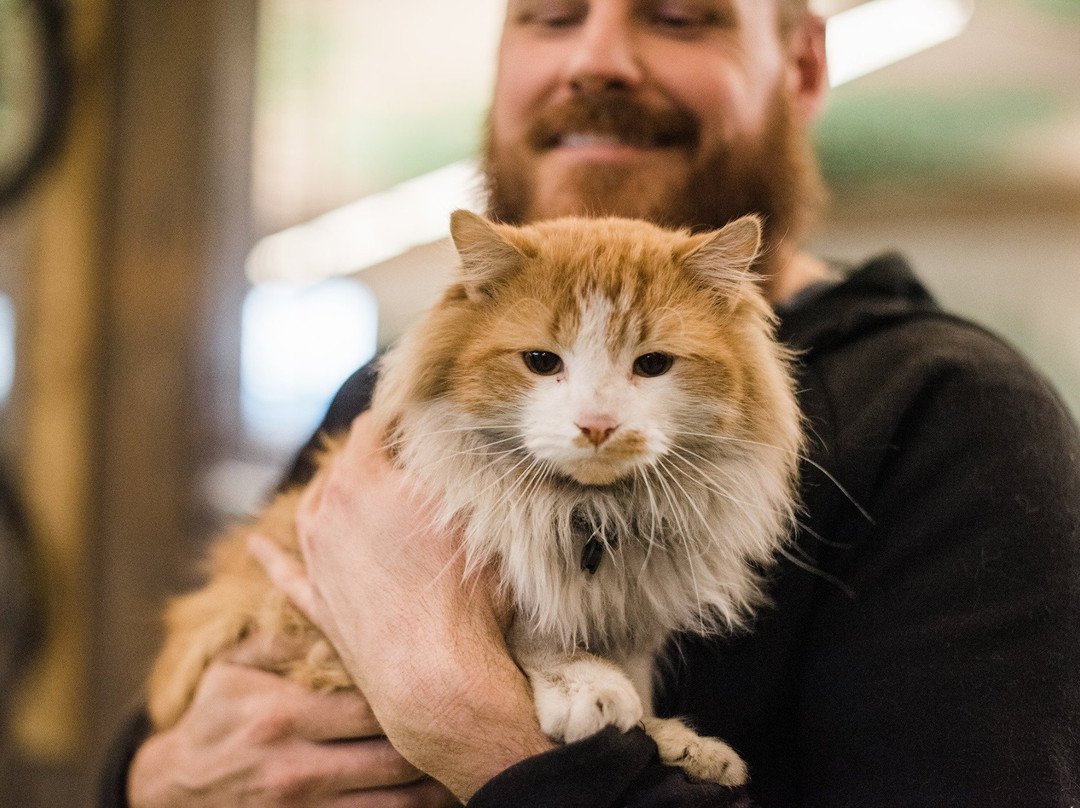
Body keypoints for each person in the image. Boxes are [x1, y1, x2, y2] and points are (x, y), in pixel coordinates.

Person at [104, 0, 1080, 806]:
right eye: (551, 17)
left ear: (804, 65)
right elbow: (173, 720)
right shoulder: (388, 391)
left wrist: (461, 706)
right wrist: (154, 777)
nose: (598, 59)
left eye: (680, 18)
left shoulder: (958, 417)